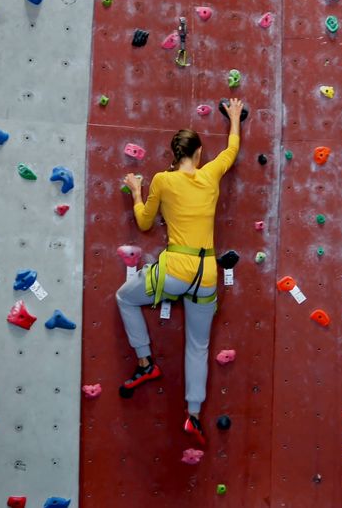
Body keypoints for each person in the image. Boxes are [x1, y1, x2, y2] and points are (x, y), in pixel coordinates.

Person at [116, 98, 245, 446]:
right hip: (205, 274)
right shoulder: (210, 174)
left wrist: (138, 190)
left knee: (124, 298)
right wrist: (234, 117)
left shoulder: (162, 180)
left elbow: (144, 223)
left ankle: (145, 362)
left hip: (174, 270)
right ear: (199, 153)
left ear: (175, 153)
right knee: (198, 346)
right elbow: (232, 149)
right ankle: (193, 415)